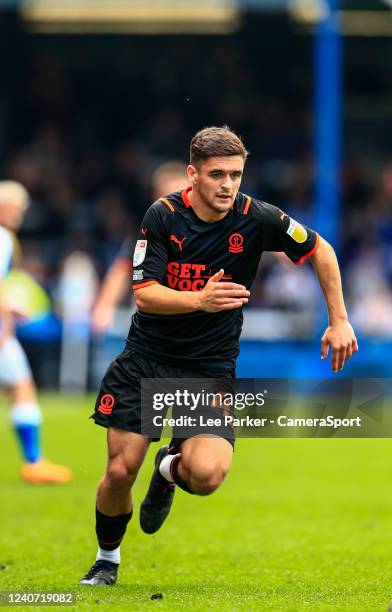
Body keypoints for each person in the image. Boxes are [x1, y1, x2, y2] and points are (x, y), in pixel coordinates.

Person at [80, 126, 358, 586]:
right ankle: (107, 560)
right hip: (147, 360)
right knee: (118, 470)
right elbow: (145, 295)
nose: (228, 185)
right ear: (193, 175)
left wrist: (339, 319)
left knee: (207, 474)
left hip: (206, 370)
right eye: (217, 174)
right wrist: (200, 301)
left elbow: (320, 250)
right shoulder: (163, 215)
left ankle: (169, 467)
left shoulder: (256, 217)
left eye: (235, 174)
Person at [0, 181, 72, 484]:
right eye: (14, 206)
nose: (18, 213)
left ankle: (35, 461)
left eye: (21, 207)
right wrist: (6, 317)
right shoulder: (2, 237)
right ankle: (34, 462)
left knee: (21, 387)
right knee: (22, 387)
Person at [90, 161, 188, 336]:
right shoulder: (146, 234)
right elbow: (122, 268)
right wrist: (104, 306)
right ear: (155, 197)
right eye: (168, 197)